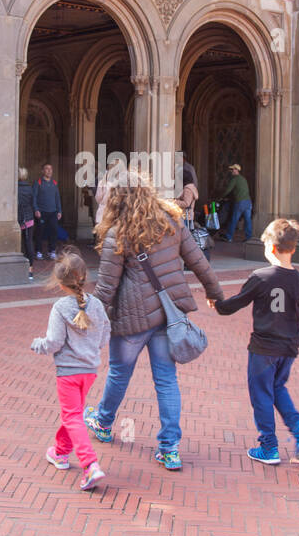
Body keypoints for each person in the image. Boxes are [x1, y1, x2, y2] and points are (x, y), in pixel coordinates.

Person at [83, 167, 225, 471]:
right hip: (168, 315)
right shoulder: (172, 221)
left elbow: (106, 288)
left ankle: (104, 423)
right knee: (166, 379)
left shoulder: (116, 234)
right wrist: (215, 294)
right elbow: (198, 262)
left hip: (133, 320)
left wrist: (88, 320)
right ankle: (169, 448)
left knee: (120, 374)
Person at [214, 218, 299, 465]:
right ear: (293, 248)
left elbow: (236, 303)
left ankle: (269, 447)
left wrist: (217, 304)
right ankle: (298, 426)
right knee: (277, 388)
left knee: (261, 394)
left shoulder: (261, 276)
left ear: (270, 248)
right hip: (289, 346)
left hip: (264, 346)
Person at [31, 249, 111, 491]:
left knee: (72, 416)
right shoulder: (95, 304)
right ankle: (60, 453)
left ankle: (90, 464)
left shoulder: (60, 307)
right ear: (84, 276)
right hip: (89, 370)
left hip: (68, 371)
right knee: (74, 413)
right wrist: (93, 349)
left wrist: (39, 345)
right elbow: (106, 331)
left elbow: (54, 342)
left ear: (59, 281)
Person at [33, 162, 62, 260]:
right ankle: (38, 251)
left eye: (51, 169)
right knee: (39, 232)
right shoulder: (38, 183)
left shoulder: (54, 183)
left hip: (53, 212)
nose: (49, 171)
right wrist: (36, 209)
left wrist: (59, 211)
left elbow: (57, 197)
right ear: (42, 171)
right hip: (41, 212)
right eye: (47, 169)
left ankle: (52, 251)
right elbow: (34, 197)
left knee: (53, 231)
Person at [219, 163, 253, 243]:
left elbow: (228, 190)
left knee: (233, 219)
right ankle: (249, 238)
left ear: (236, 170)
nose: (231, 171)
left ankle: (229, 237)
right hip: (248, 202)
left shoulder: (235, 179)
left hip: (240, 203)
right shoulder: (243, 179)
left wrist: (221, 196)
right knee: (248, 220)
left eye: (232, 169)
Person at [17, 166, 37, 280]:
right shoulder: (30, 188)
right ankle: (30, 269)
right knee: (28, 242)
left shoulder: (14, 188)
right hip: (29, 218)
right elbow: (33, 203)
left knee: (17, 243)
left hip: (17, 219)